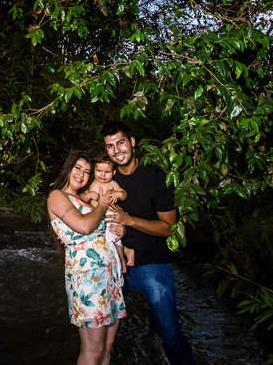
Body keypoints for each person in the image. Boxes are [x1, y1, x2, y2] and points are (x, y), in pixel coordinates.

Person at [102, 121, 197, 365]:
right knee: (103, 337)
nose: (116, 150)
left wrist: (129, 220)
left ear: (132, 142)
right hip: (115, 264)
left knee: (170, 332)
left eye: (120, 143)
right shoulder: (104, 177)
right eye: (110, 146)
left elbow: (169, 228)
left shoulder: (156, 176)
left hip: (152, 263)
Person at [47, 150, 126, 365]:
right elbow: (85, 225)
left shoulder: (85, 198)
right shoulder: (57, 196)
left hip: (109, 275)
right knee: (93, 350)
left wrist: (121, 232)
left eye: (87, 171)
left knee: (107, 347)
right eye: (78, 168)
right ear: (68, 168)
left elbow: (103, 227)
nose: (82, 174)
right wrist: (102, 202)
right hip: (88, 280)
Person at [81, 157, 135, 271]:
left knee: (113, 238)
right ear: (94, 170)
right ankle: (126, 251)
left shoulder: (113, 184)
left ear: (114, 172)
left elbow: (124, 194)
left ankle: (122, 261)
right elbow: (82, 197)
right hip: (99, 218)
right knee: (106, 240)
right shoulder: (91, 184)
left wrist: (117, 194)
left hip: (111, 217)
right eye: (99, 171)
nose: (103, 175)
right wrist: (89, 195)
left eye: (107, 172)